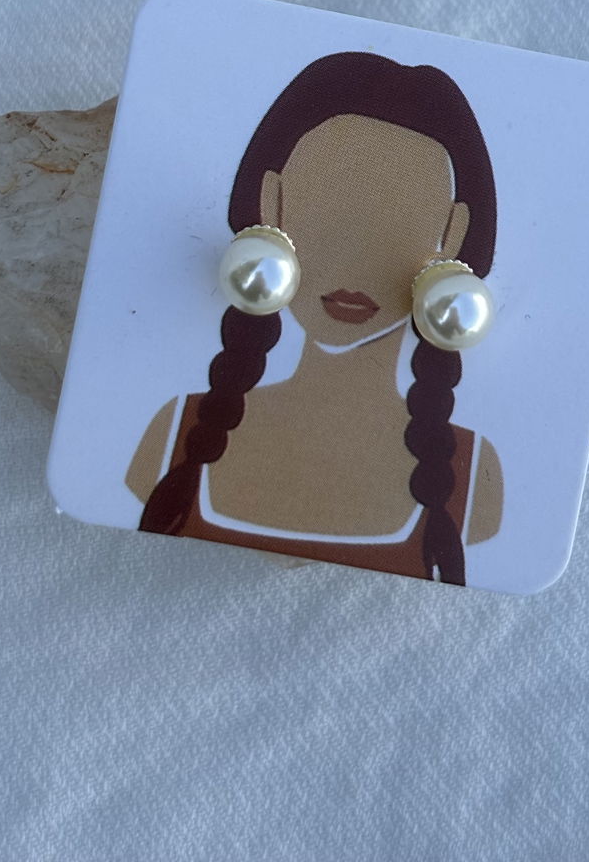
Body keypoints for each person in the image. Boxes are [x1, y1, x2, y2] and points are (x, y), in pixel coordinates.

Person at [126, 50, 502, 584]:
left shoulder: (473, 475)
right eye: (329, 210)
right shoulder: (174, 435)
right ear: (272, 203)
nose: (354, 261)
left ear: (454, 235)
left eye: (394, 220)